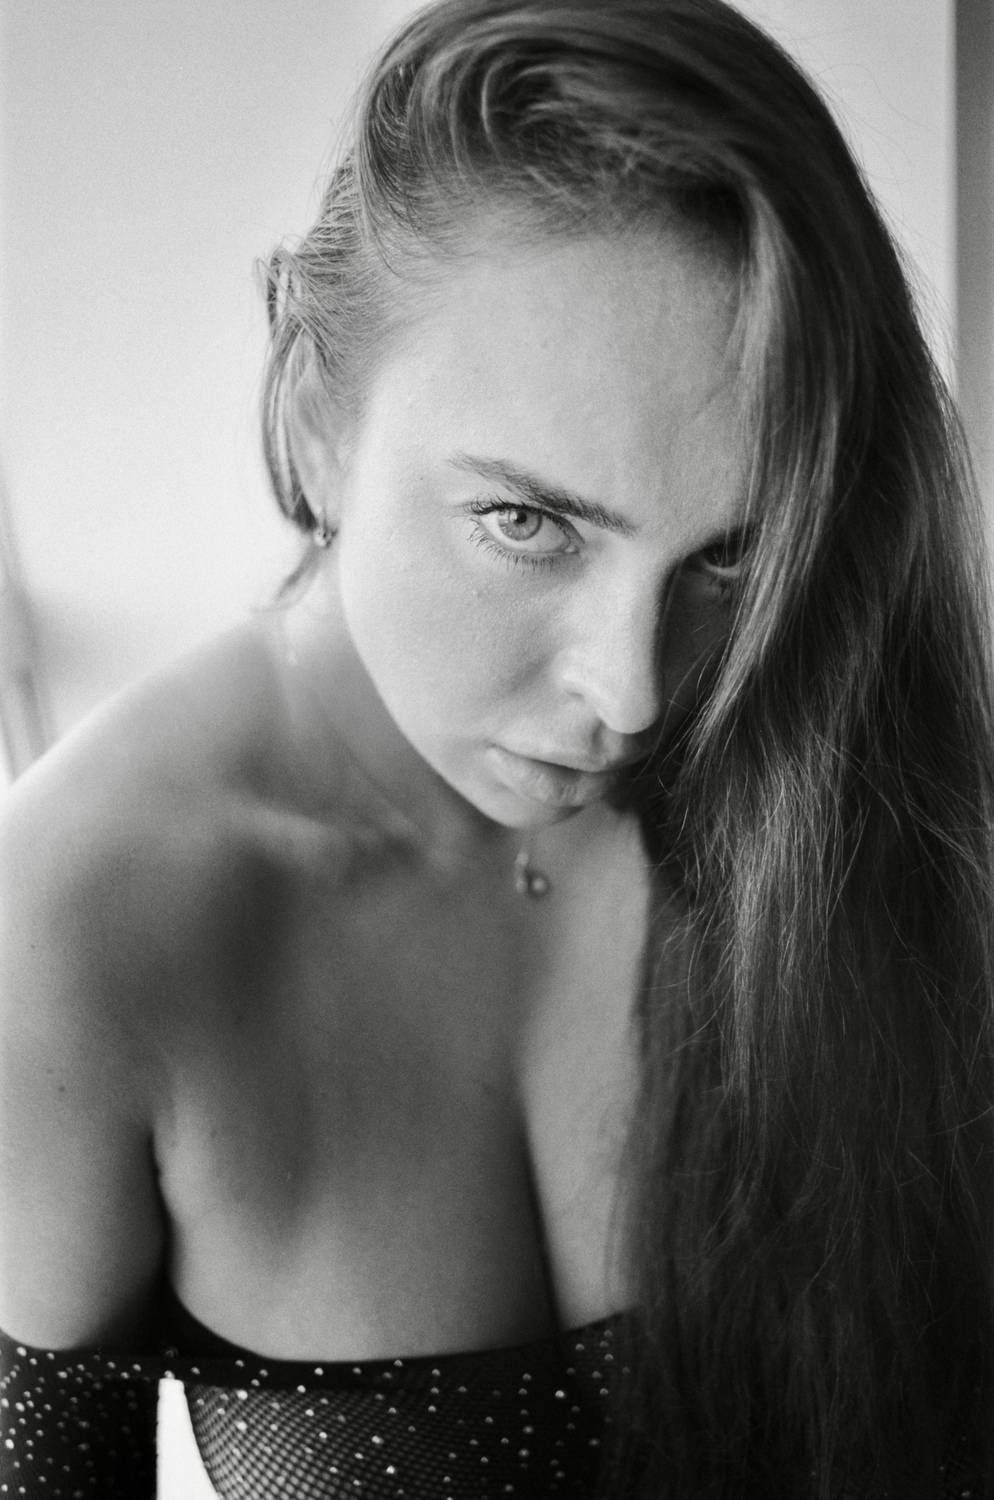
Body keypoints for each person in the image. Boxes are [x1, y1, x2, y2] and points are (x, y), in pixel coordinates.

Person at [1, 0, 991, 1495]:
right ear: (316, 412)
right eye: (527, 523)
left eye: (729, 554)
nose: (634, 693)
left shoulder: (828, 757)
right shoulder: (69, 932)